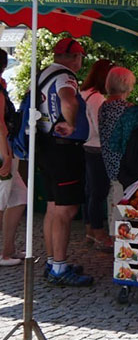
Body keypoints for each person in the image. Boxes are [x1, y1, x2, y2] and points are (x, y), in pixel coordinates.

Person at [37, 37, 93, 286]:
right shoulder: (65, 76)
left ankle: (53, 262)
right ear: (75, 58)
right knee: (65, 210)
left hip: (46, 147)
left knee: (53, 207)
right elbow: (68, 100)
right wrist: (71, 124)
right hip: (63, 150)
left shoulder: (43, 73)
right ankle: (59, 269)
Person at [99, 66, 135, 247]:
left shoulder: (104, 106)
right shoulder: (127, 109)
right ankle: (121, 242)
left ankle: (115, 238)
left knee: (113, 196)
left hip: (109, 159)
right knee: (122, 198)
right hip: (123, 163)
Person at [80, 58, 113, 246]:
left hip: (85, 147)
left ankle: (90, 230)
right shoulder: (97, 98)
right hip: (97, 149)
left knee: (90, 192)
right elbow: (102, 129)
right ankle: (99, 233)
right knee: (98, 192)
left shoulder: (84, 92)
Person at [0, 50, 26, 267]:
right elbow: (0, 124)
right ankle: (4, 252)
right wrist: (7, 155)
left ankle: (8, 250)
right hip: (2, 151)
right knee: (1, 200)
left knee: (19, 198)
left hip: (5, 149)